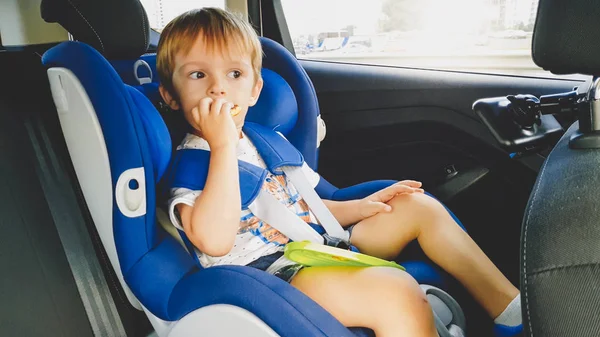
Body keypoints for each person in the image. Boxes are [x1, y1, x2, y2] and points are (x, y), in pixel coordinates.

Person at [156, 7, 522, 337]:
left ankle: (511, 311)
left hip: (316, 245)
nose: (218, 87)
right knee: (394, 292)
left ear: (254, 89)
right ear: (171, 96)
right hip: (273, 279)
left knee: (418, 206)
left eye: (234, 73)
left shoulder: (261, 140)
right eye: (199, 75)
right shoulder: (192, 165)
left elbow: (303, 208)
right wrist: (221, 148)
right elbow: (213, 241)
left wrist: (362, 206)